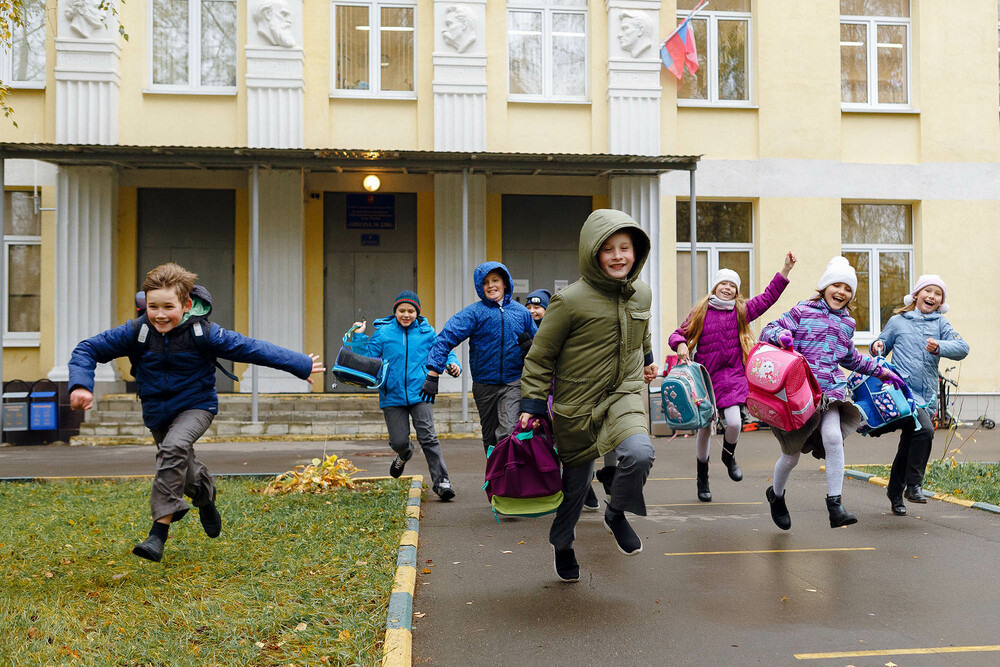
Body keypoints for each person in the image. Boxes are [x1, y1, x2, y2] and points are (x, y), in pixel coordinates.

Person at [68, 263, 324, 562]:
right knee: (185, 472)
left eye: (168, 307)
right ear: (144, 305)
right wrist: (81, 384)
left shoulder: (205, 333)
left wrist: (299, 364)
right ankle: (205, 497)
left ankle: (157, 534)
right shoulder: (136, 332)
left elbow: (252, 348)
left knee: (174, 448)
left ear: (186, 305)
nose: (160, 314)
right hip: (156, 411)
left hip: (196, 406)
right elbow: (87, 349)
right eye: (153, 307)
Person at [519, 209, 659, 582]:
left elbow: (641, 331)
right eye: (608, 249)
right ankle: (563, 543)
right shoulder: (569, 301)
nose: (618, 256)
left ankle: (616, 513)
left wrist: (646, 359)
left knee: (640, 453)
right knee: (575, 489)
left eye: (625, 248)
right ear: (592, 254)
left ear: (636, 251)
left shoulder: (642, 292)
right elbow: (540, 356)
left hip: (623, 393)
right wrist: (532, 404)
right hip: (577, 405)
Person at [759, 256, 903, 530]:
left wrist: (884, 372)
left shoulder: (847, 323)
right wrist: (781, 337)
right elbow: (769, 330)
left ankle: (835, 505)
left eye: (848, 288)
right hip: (799, 393)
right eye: (836, 285)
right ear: (824, 287)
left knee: (833, 438)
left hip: (830, 391)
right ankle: (776, 496)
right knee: (791, 456)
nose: (842, 292)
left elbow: (851, 359)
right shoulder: (803, 310)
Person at [669, 253, 796, 502]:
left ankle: (728, 455)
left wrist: (785, 270)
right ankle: (702, 478)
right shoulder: (701, 311)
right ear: (715, 287)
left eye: (732, 286)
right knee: (705, 428)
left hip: (733, 375)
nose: (727, 288)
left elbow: (767, 298)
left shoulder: (740, 311)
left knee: (735, 423)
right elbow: (676, 334)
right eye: (723, 284)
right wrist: (680, 344)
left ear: (737, 292)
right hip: (706, 377)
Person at [349, 290, 462, 500]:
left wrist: (453, 364)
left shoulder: (427, 332)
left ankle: (442, 482)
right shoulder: (384, 333)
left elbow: (444, 350)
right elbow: (365, 357)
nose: (406, 315)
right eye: (402, 310)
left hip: (421, 393)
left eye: (411, 311)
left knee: (428, 437)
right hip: (392, 396)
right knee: (399, 441)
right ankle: (403, 454)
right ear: (396, 311)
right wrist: (358, 336)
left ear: (417, 312)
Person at [871, 275, 969, 515]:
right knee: (923, 430)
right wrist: (877, 346)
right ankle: (913, 485)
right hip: (901, 393)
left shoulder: (941, 324)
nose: (932, 296)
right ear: (916, 295)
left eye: (937, 294)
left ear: (940, 302)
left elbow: (963, 348)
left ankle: (895, 493)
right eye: (928, 291)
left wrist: (940, 346)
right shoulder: (898, 321)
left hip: (926, 396)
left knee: (908, 444)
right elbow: (881, 344)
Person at [423, 262, 536, 456]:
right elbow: (446, 337)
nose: (491, 285)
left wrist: (530, 348)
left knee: (508, 432)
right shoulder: (474, 313)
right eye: (485, 282)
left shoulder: (521, 313)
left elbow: (540, 348)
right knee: (490, 436)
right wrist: (433, 374)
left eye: (495, 280)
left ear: (505, 283)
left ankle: (507, 480)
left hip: (513, 382)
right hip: (484, 384)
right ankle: (494, 478)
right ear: (480, 287)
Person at [526, 286, 603, 511]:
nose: (532, 311)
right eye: (529, 307)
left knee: (567, 447)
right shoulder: (525, 331)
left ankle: (584, 491)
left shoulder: (559, 330)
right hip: (541, 397)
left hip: (563, 397)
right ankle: (562, 491)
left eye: (537, 307)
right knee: (548, 448)